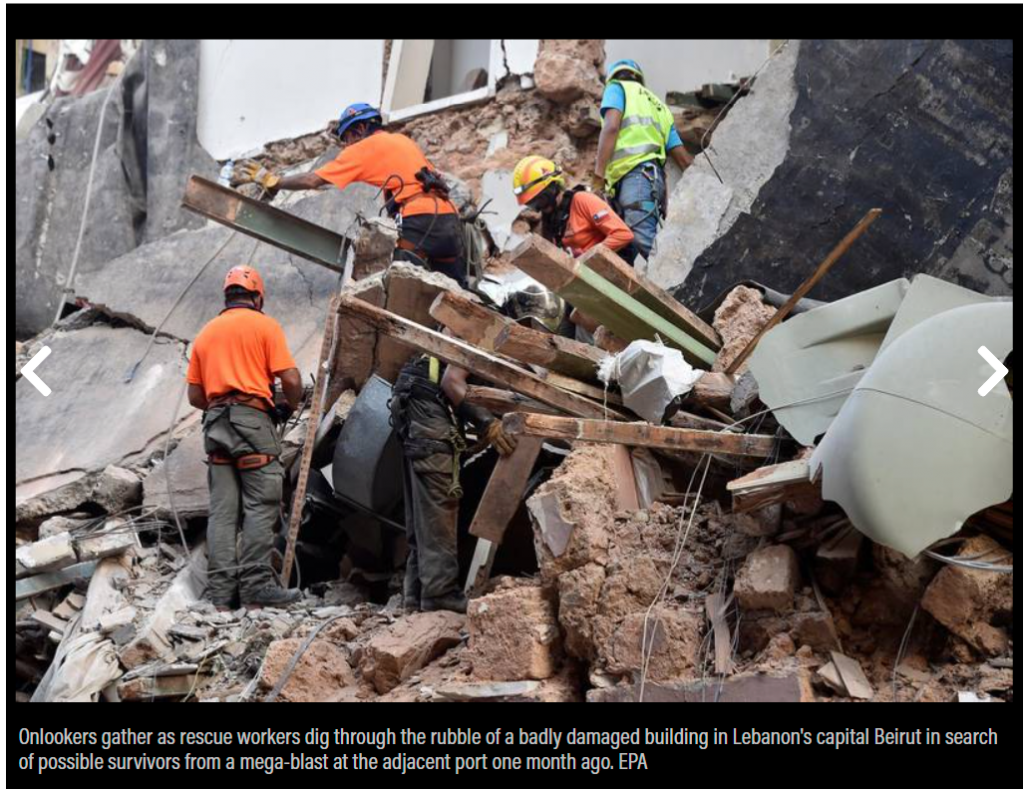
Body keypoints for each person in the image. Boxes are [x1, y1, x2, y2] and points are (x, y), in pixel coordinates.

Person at [232, 104, 467, 287]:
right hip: (450, 220)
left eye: (347, 138)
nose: (346, 146)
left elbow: (312, 180)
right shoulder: (402, 141)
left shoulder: (362, 148)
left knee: (401, 290)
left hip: (419, 219)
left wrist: (274, 181)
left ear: (360, 129)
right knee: (457, 295)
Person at [186, 266, 304, 612]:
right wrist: (289, 406)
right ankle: (256, 589)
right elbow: (291, 380)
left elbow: (195, 395)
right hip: (252, 422)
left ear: (227, 297)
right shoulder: (264, 326)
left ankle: (221, 599)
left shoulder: (206, 333)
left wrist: (221, 402)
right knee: (261, 504)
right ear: (257, 298)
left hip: (215, 425)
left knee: (223, 513)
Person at [389, 353, 516, 614]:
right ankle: (440, 594)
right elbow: (452, 380)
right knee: (439, 500)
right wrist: (488, 424)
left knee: (423, 508)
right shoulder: (483, 331)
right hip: (429, 404)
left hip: (414, 400)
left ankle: (414, 597)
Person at [594, 59, 695, 262]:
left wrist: (598, 176)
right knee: (629, 251)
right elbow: (684, 159)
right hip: (651, 181)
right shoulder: (660, 107)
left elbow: (611, 127)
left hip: (636, 179)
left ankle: (675, 280)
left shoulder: (617, 88)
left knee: (644, 243)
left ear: (612, 78)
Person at [513, 155, 634, 259]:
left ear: (552, 187)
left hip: (610, 270)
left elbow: (622, 234)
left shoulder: (582, 200)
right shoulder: (551, 222)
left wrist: (585, 258)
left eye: (541, 200)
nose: (540, 208)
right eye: (533, 204)